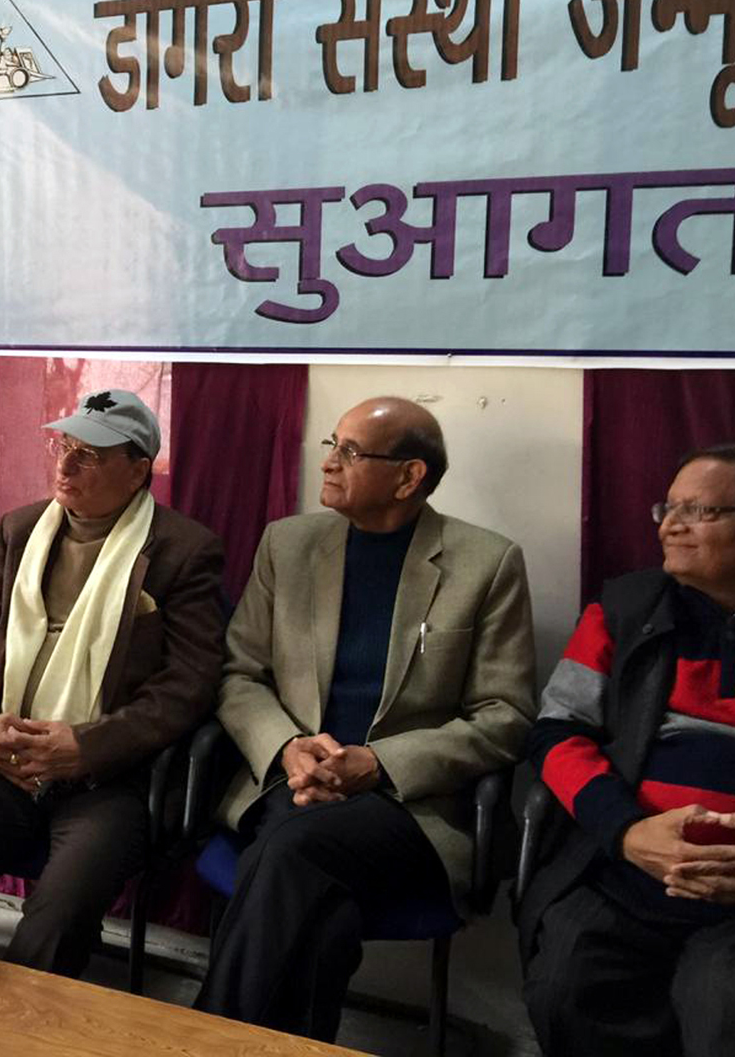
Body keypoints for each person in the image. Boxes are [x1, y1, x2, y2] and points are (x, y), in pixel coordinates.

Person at [194, 396, 536, 1042]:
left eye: (349, 451)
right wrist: (289, 746)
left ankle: (206, 1041)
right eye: (331, 443)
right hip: (287, 783)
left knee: (290, 849)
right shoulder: (287, 543)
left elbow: (506, 715)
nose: (327, 462)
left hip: (407, 809)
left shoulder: (485, 562)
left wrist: (378, 763)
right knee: (322, 916)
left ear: (409, 477)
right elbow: (239, 672)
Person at [0, 388, 224, 975]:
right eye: (64, 446)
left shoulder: (183, 551)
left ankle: (30, 1030)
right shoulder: (21, 530)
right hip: (6, 762)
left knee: (57, 918)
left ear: (138, 470)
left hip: (107, 781)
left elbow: (188, 685)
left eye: (89, 455)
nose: (64, 466)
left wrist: (85, 746)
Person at [519, 444, 735, 1057]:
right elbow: (556, 732)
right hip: (627, 872)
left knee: (733, 999)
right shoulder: (625, 611)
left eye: (699, 510)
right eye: (668, 506)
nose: (669, 525)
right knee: (567, 983)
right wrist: (628, 833)